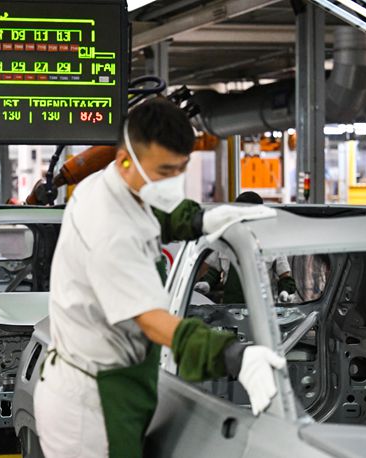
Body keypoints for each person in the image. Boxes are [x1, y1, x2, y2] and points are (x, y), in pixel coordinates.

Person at [34, 98, 286, 457]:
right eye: (164, 171)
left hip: (118, 380)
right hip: (92, 402)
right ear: (126, 161)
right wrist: (232, 355)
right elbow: (153, 322)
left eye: (180, 170)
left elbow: (154, 211)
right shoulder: (110, 229)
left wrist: (199, 219)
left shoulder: (117, 183)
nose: (172, 182)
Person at [194, 191, 298, 303]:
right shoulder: (225, 239)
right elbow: (214, 270)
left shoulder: (272, 242)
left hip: (262, 307)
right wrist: (206, 283)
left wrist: (285, 291)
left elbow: (285, 276)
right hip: (230, 308)